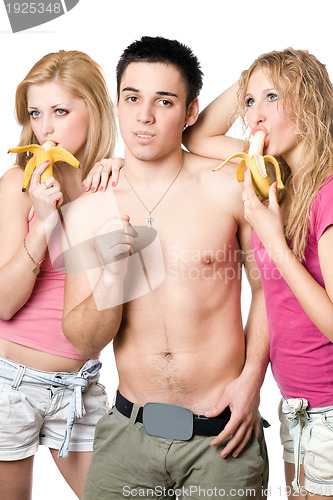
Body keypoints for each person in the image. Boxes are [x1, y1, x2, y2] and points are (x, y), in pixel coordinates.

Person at [62, 36, 270, 500]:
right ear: (116, 104)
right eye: (132, 98)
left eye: (165, 101)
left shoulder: (229, 185)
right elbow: (81, 340)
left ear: (192, 111)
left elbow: (269, 290)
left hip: (223, 435)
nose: (145, 116)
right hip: (127, 436)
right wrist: (113, 275)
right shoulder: (90, 208)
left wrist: (253, 381)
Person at [184, 48, 333, 500]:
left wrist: (275, 242)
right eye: (250, 103)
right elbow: (198, 136)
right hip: (298, 408)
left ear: (308, 106)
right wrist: (254, 75)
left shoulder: (326, 195)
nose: (256, 115)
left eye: (273, 98)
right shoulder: (278, 177)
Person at [0, 49, 118, 500]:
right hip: (11, 384)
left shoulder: (112, 184)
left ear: (96, 111)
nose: (44, 128)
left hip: (81, 386)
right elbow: (6, 303)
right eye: (35, 113)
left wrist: (124, 176)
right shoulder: (18, 185)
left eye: (60, 111)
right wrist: (44, 220)